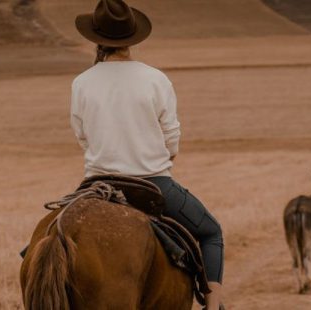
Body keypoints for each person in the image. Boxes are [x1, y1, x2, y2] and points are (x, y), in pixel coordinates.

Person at [71, 0, 224, 308]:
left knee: (58, 227)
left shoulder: (82, 82)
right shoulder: (155, 78)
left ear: (96, 39)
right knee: (211, 232)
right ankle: (214, 303)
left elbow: (82, 136)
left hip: (97, 184)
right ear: (133, 38)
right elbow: (171, 138)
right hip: (154, 184)